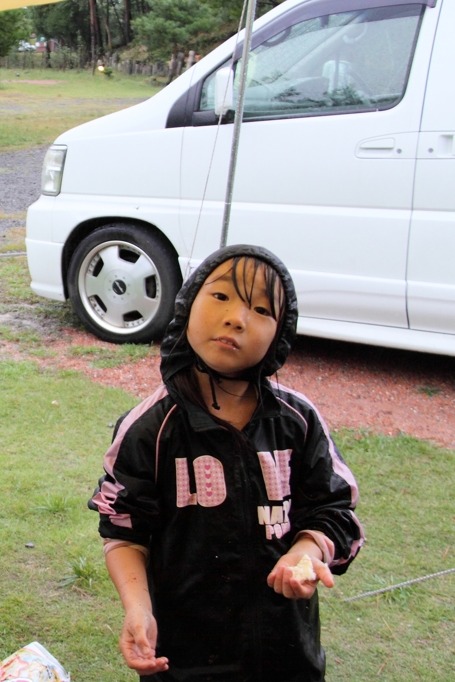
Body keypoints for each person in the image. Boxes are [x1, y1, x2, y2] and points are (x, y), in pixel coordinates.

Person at [90, 245, 363, 681]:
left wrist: (306, 552)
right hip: (182, 660)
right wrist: (138, 607)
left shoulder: (298, 422)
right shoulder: (150, 429)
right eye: (221, 297)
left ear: (281, 332)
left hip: (286, 657)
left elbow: (334, 511)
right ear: (188, 302)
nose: (237, 318)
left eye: (260, 308)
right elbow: (123, 531)